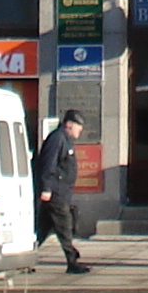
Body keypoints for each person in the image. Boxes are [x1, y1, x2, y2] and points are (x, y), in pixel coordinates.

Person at [36, 110, 89, 274]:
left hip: (60, 193)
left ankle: (25, 255)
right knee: (65, 225)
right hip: (55, 193)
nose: (80, 130)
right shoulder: (57, 139)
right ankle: (72, 261)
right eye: (78, 127)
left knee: (42, 228)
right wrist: (46, 188)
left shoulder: (65, 139)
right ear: (69, 125)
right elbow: (48, 164)